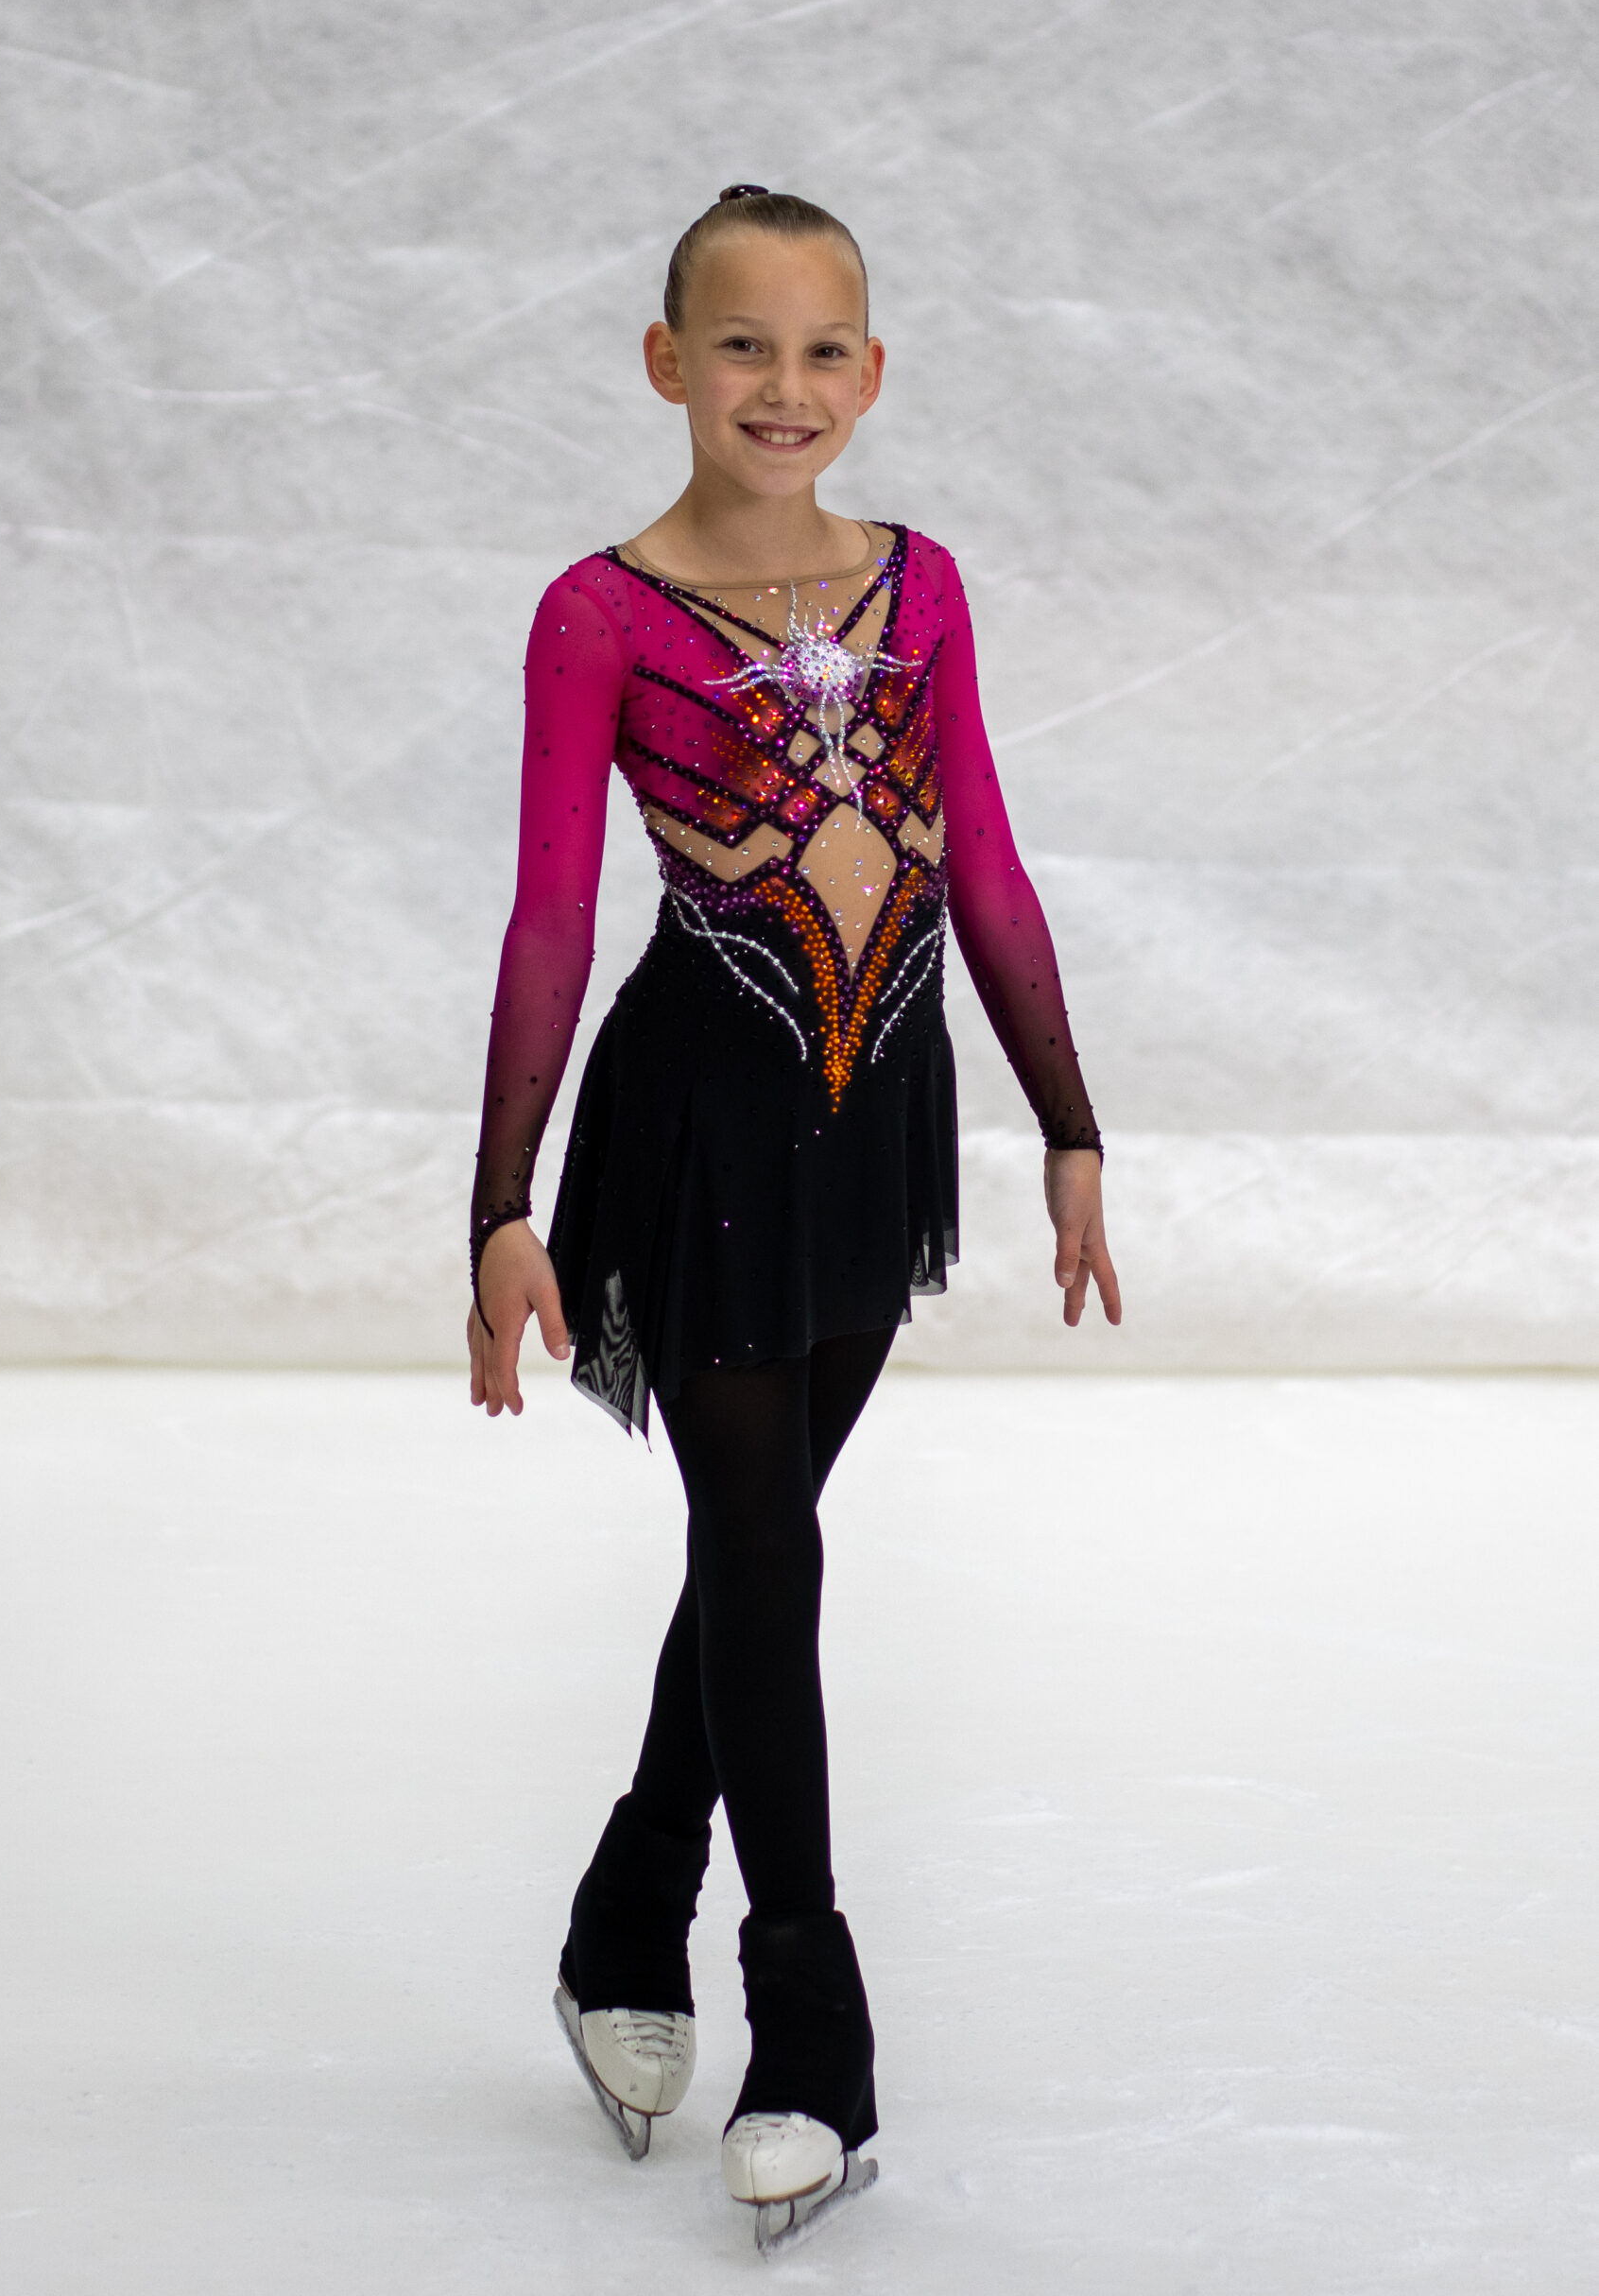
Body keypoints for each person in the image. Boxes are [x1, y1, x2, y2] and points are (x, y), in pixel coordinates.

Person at [467, 185, 1120, 2252]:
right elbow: (552, 916)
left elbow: (983, 859)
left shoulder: (921, 584)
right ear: (668, 362)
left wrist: (1069, 1124)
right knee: (763, 1545)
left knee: (751, 1549)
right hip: (706, 1126)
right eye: (740, 344)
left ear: (874, 370)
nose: (784, 385)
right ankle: (814, 2024)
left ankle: (623, 1905)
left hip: (879, 1110)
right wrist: (498, 1204)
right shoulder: (600, 610)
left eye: (822, 347)